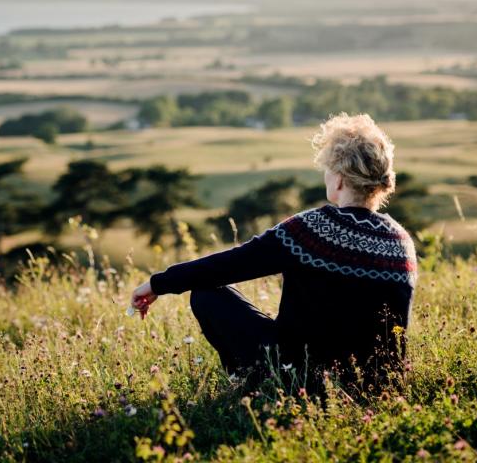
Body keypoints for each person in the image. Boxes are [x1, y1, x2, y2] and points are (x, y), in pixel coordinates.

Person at [130, 112, 418, 399]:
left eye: (328, 168)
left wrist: (158, 283)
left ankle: (257, 387)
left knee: (206, 295)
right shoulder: (401, 242)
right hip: (377, 391)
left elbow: (229, 265)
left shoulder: (312, 229)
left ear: (340, 179)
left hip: (299, 380)